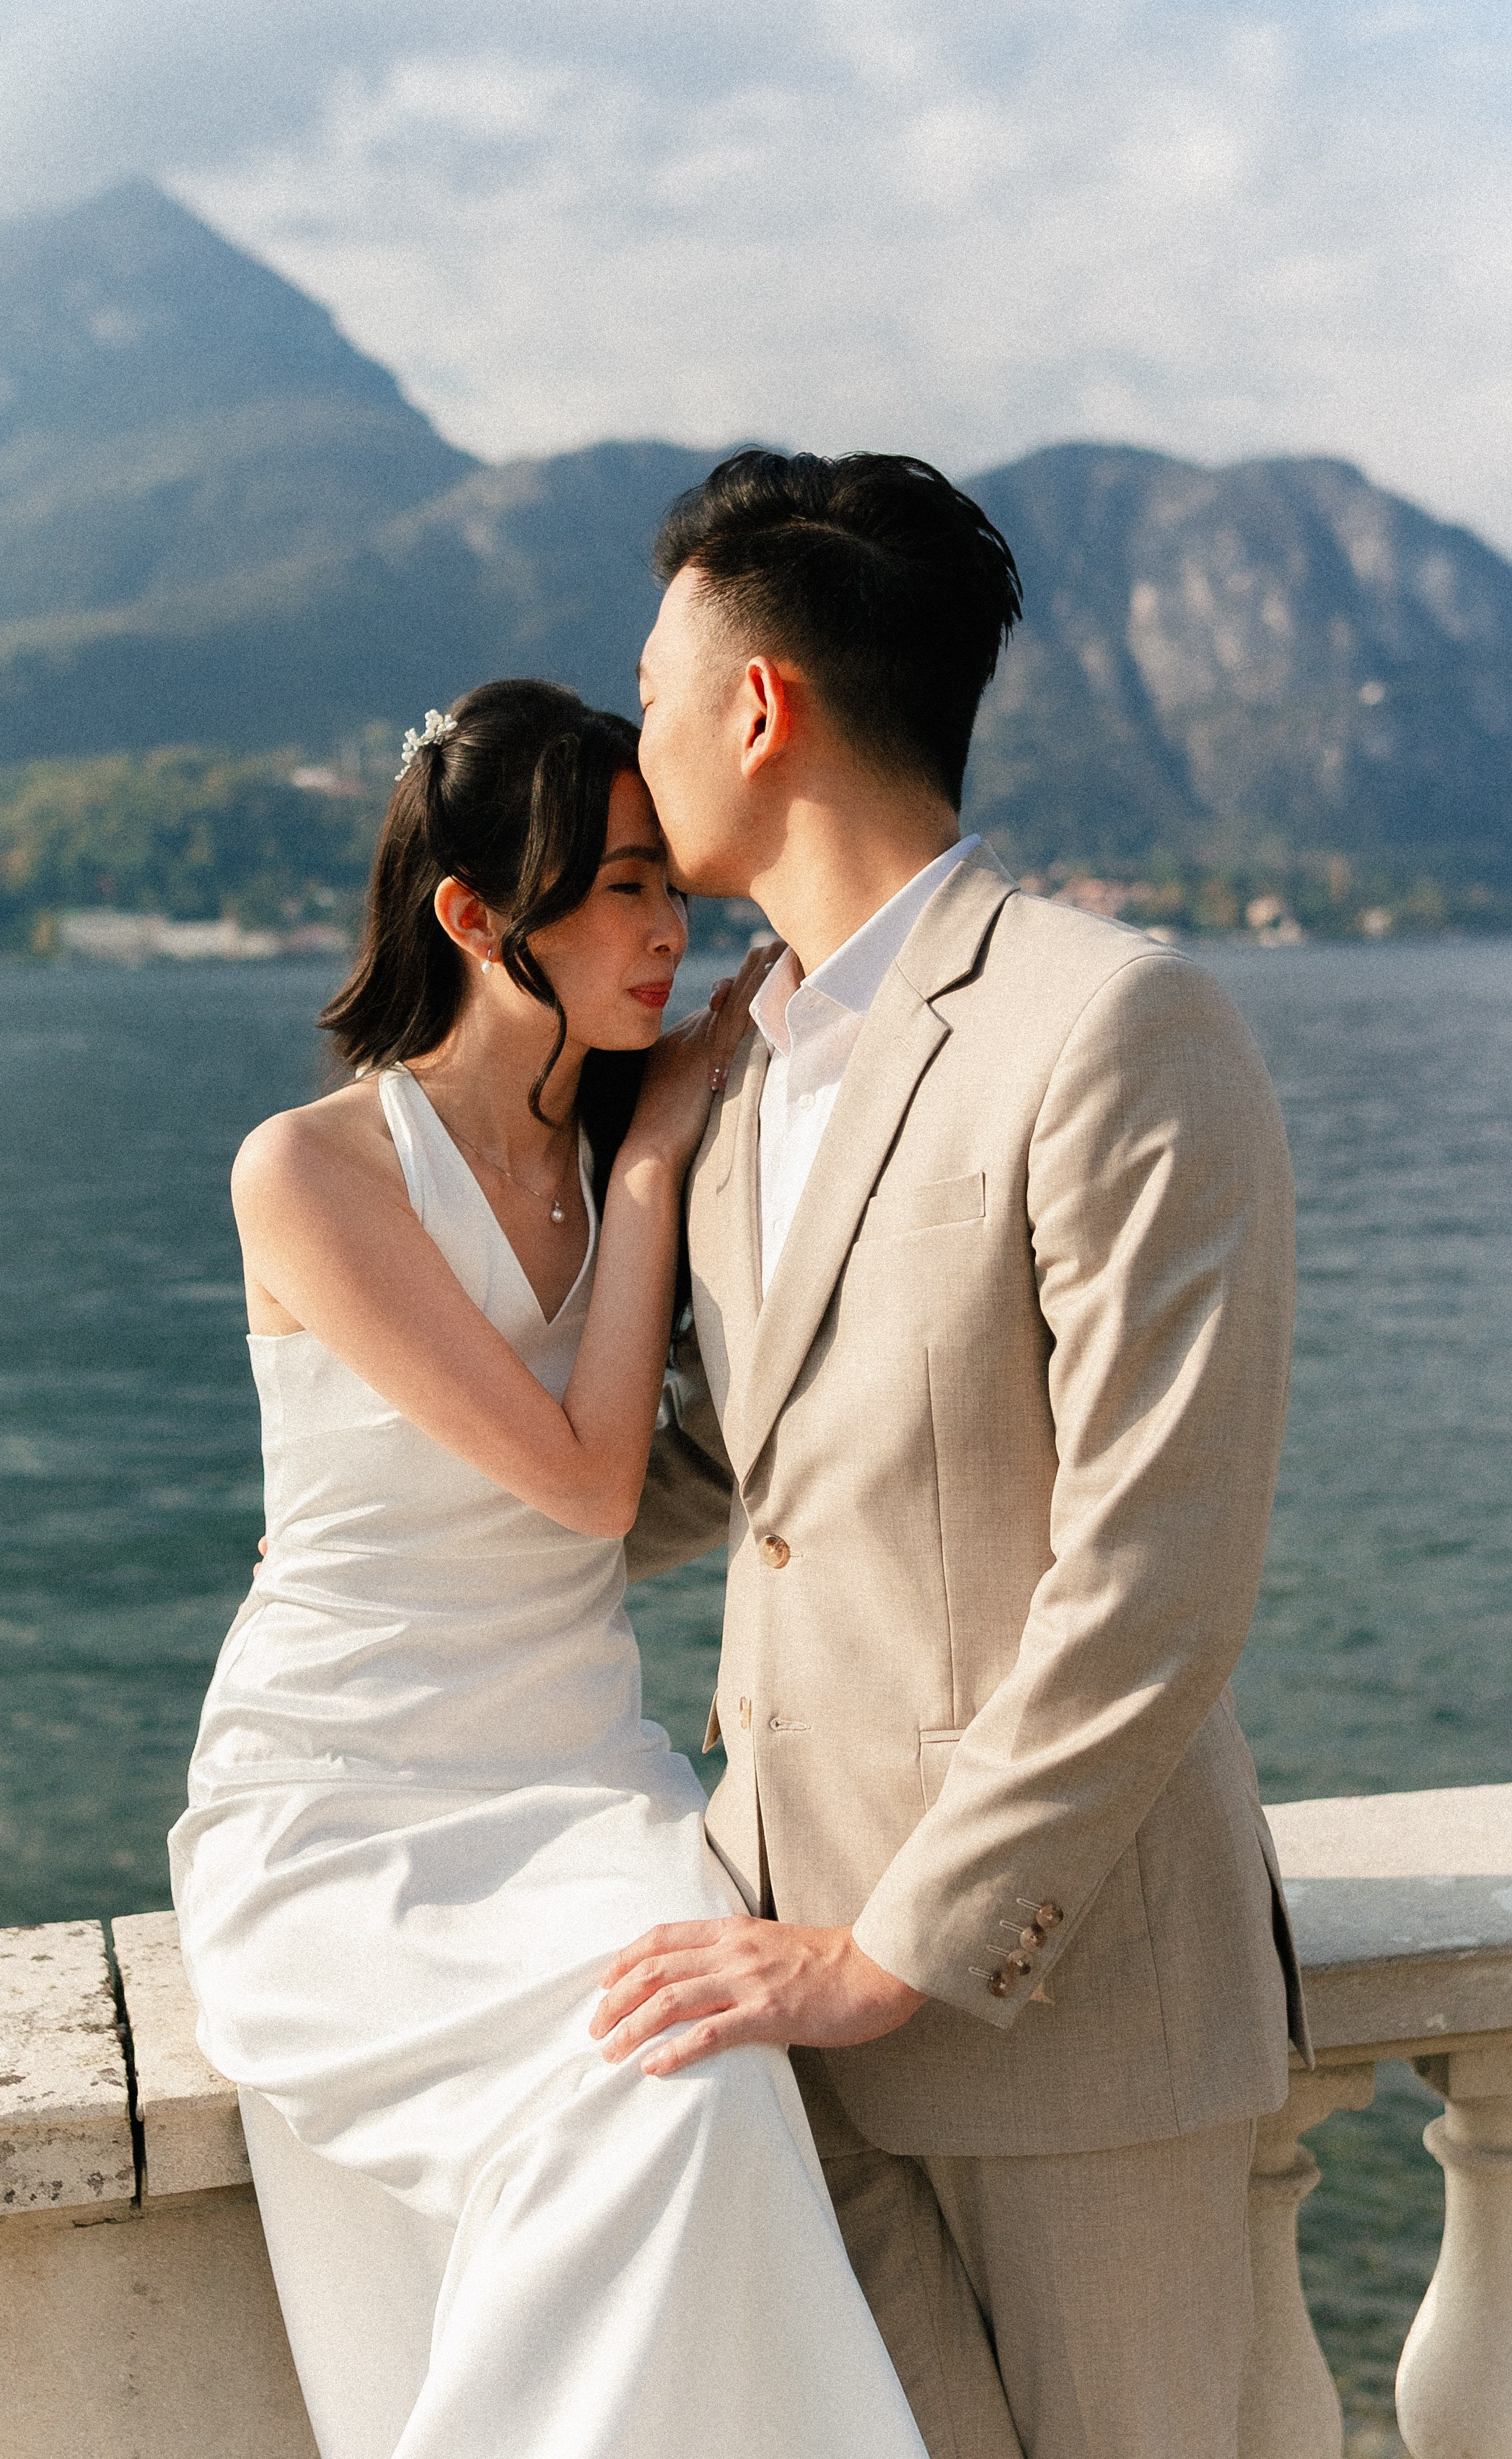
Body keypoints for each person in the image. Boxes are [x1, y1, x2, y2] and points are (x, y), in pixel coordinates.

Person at [599, 451, 1306, 2459]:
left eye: (650, 695)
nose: (636, 752)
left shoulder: (1113, 1025)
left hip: (1063, 2027)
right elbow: (723, 1472)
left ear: (760, 705)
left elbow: (1157, 1574)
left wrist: (896, 1955)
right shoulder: (736, 1073)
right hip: (776, 2002)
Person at [169, 680, 930, 2459]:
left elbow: (726, 1442)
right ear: (470, 915)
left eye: (674, 887)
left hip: (579, 1777)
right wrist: (654, 1152)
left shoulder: (634, 1149)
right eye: (619, 889)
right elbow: (589, 1487)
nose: (669, 931)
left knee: (696, 2084)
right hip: (344, 1800)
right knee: (652, 2104)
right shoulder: (312, 1171)